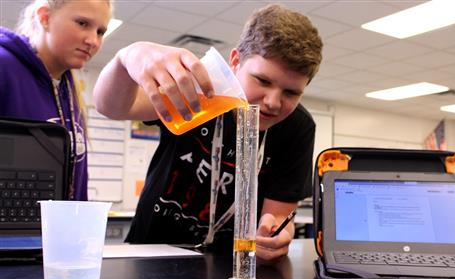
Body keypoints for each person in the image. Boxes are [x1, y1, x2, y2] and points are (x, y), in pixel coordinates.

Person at [94, 4, 323, 263]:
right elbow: (109, 107)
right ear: (235, 62)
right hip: (151, 251)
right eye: (262, 81)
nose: (273, 102)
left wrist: (276, 233)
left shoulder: (298, 128)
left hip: (228, 267)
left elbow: (279, 216)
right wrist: (126, 57)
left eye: (291, 92)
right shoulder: (201, 91)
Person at [0, 0, 112, 200]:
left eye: (101, 31)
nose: (93, 41)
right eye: (82, 23)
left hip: (64, 228)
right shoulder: (4, 66)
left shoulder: (68, 88)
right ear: (45, 17)